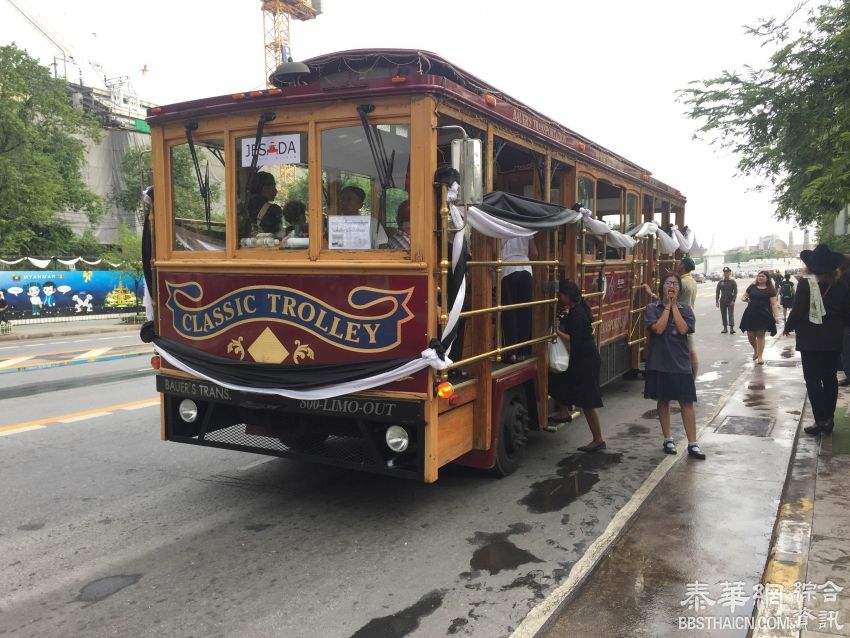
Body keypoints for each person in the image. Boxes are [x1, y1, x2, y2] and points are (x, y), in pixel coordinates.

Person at [784, 245, 850, 436]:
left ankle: (820, 419)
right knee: (830, 378)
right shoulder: (842, 283)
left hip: (810, 338)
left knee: (812, 380)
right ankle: (828, 419)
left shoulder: (806, 283)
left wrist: (788, 326)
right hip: (833, 337)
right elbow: (847, 311)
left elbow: (798, 310)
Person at [644, 272, 705, 459]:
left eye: (676, 284)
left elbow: (683, 329)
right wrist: (667, 308)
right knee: (663, 401)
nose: (672, 286)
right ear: (662, 286)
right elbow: (659, 329)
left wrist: (674, 307)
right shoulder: (652, 308)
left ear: (679, 289)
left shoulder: (686, 310)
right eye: (668, 283)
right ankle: (668, 438)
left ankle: (693, 444)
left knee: (686, 403)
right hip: (660, 363)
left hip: (681, 364)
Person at [548, 281, 606, 451]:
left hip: (586, 361)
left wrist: (557, 332)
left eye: (560, 296)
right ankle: (564, 412)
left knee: (588, 403)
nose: (558, 298)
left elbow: (575, 341)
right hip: (583, 359)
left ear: (567, 296)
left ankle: (598, 439)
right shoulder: (577, 309)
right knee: (561, 381)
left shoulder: (577, 314)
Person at [500, 233, 538, 363]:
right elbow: (534, 252)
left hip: (508, 269)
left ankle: (511, 354)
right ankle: (523, 352)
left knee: (509, 312)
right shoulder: (525, 222)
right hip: (526, 269)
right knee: (524, 312)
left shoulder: (500, 223)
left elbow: (494, 250)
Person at [739, 270, 780, 364]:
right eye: (759, 276)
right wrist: (745, 299)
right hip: (751, 313)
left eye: (763, 276)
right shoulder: (752, 287)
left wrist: (776, 316)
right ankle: (756, 350)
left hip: (763, 314)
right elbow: (743, 297)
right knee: (750, 334)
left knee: (760, 335)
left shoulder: (770, 289)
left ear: (767, 278)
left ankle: (760, 356)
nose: (760, 278)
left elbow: (774, 304)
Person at [677, 256, 699, 374]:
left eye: (679, 262)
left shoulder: (682, 282)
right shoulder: (691, 280)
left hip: (680, 318)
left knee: (690, 350)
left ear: (683, 266)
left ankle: (692, 378)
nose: (677, 264)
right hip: (688, 316)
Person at [247, 172, 284, 236]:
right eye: (274, 186)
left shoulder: (243, 207)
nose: (276, 191)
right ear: (265, 188)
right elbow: (279, 235)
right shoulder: (273, 210)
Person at [716, 267, 737, 334]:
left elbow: (736, 292)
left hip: (730, 299)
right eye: (725, 272)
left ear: (730, 273)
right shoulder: (721, 282)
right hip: (722, 300)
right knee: (723, 314)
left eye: (727, 272)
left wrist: (733, 300)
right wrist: (717, 301)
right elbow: (717, 292)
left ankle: (731, 328)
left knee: (730, 314)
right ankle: (725, 328)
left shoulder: (733, 282)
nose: (726, 274)